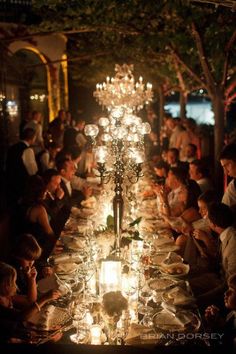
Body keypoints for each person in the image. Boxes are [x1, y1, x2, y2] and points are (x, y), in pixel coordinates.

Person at [0, 262, 61, 343]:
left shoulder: (6, 296)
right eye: (12, 283)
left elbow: (30, 301)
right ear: (3, 285)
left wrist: (31, 279)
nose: (16, 286)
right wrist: (44, 298)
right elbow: (21, 316)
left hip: (20, 331)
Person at [6, 128, 38, 208]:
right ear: (33, 137)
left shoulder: (12, 147)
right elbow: (32, 171)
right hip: (22, 184)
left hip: (10, 182)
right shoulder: (28, 150)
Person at [204, 273, 236, 349]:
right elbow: (227, 331)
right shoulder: (233, 312)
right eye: (228, 289)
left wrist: (214, 328)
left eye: (232, 291)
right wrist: (216, 321)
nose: (226, 293)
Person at [9, 234, 42, 306]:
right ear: (17, 255)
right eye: (28, 259)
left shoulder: (23, 267)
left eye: (33, 260)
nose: (31, 263)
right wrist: (32, 280)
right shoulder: (10, 274)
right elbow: (31, 301)